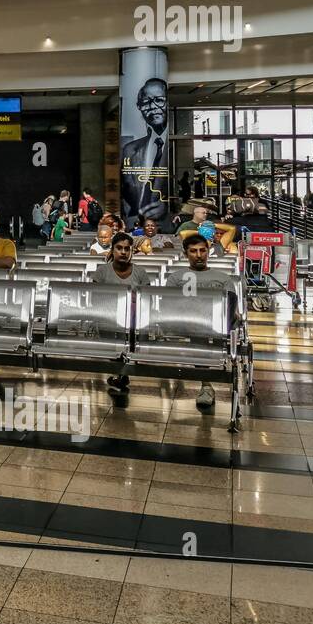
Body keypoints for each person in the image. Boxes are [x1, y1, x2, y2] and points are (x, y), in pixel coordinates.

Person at [178, 233, 237, 412]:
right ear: (185, 254)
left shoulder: (223, 278)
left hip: (216, 326)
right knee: (196, 331)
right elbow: (169, 306)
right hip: (185, 327)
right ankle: (206, 384)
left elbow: (232, 309)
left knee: (199, 333)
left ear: (208, 252)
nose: (198, 255)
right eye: (193, 251)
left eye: (202, 250)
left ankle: (206, 384)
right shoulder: (177, 278)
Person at [90, 232, 150, 398]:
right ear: (113, 250)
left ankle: (121, 374)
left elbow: (146, 300)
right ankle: (121, 373)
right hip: (108, 319)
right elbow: (96, 300)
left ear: (131, 251)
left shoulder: (140, 273)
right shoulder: (102, 272)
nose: (123, 252)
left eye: (127, 248)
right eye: (119, 248)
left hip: (133, 320)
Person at [121, 77, 171, 226]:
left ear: (168, 103)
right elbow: (126, 194)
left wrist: (167, 206)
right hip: (135, 225)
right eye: (146, 103)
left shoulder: (173, 145)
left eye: (159, 100)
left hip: (165, 226)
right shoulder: (130, 150)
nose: (153, 106)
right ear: (139, 107)